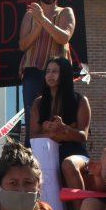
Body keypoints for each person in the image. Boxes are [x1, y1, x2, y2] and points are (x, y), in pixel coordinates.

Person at [18, 0, 75, 132]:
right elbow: (23, 45)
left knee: (58, 115)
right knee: (33, 118)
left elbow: (64, 37)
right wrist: (37, 26)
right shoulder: (29, 15)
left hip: (59, 73)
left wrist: (43, 19)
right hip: (33, 72)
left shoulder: (65, 12)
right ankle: (33, 145)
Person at [28, 56, 91, 195]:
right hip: (46, 153)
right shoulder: (38, 103)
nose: (50, 75)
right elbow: (33, 135)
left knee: (69, 164)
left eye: (55, 71)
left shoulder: (80, 101)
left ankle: (81, 209)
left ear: (65, 74)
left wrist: (65, 129)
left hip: (75, 153)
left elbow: (83, 136)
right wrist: (51, 135)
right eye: (48, 71)